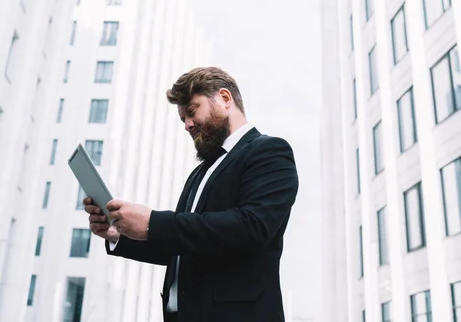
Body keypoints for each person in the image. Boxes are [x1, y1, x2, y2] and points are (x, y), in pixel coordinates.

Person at [83, 67, 299, 322]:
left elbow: (252, 227)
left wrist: (153, 222)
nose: (187, 125)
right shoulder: (199, 173)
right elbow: (183, 246)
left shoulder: (270, 151)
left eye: (192, 111)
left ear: (225, 99)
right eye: (183, 118)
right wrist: (119, 234)